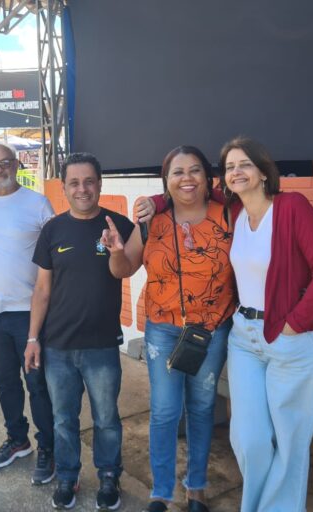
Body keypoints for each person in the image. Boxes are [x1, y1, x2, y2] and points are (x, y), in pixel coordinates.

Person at [100, 146, 235, 512]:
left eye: (195, 170)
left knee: (202, 407)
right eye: (177, 172)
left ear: (207, 177)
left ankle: (196, 488)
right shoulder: (152, 221)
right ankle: (161, 491)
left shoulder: (228, 214)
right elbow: (123, 268)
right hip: (163, 329)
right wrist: (116, 251)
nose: (186, 178)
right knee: (164, 411)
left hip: (211, 330)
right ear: (166, 180)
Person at [221, 136, 313, 511]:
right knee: (249, 438)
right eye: (229, 167)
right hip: (244, 339)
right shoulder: (235, 214)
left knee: (289, 445)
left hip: (292, 342)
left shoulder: (292, 207)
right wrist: (157, 201)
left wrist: (294, 323)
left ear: (262, 171)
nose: (236, 172)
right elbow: (186, 192)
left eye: (244, 164)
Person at [25, 152, 135, 510]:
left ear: (100, 184)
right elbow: (42, 290)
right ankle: (68, 476)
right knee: (63, 420)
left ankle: (109, 475)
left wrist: (118, 246)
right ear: (64, 187)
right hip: (58, 346)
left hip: (102, 345)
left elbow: (126, 270)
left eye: (89, 181)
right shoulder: (53, 230)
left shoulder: (119, 226)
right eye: (74, 182)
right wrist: (33, 339)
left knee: (106, 419)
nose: (82, 189)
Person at [0, 141, 56, 485]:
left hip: (28, 313)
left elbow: (56, 254)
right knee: (5, 382)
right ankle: (17, 439)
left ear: (17, 164)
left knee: (37, 384)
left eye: (4, 162)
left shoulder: (38, 203)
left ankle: (49, 446)